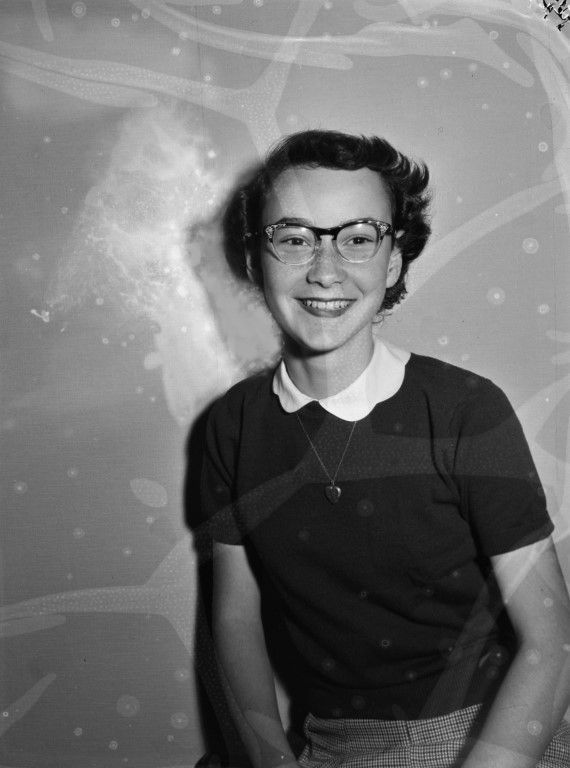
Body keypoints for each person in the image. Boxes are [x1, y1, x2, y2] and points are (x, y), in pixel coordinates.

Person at [200, 129, 570, 768]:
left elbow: (553, 643)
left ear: (393, 262)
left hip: (492, 727)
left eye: (358, 238)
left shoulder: (465, 411)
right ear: (257, 258)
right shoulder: (231, 426)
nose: (326, 270)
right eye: (294, 238)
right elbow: (234, 621)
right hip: (331, 740)